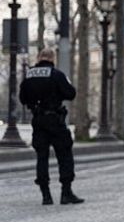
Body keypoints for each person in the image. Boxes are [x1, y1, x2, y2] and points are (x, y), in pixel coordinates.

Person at [18, 49, 82, 205]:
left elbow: (22, 98)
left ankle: (46, 195)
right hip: (55, 120)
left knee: (42, 157)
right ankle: (66, 193)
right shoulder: (56, 74)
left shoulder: (29, 75)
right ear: (52, 58)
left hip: (38, 120)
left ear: (39, 58)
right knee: (65, 155)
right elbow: (71, 93)